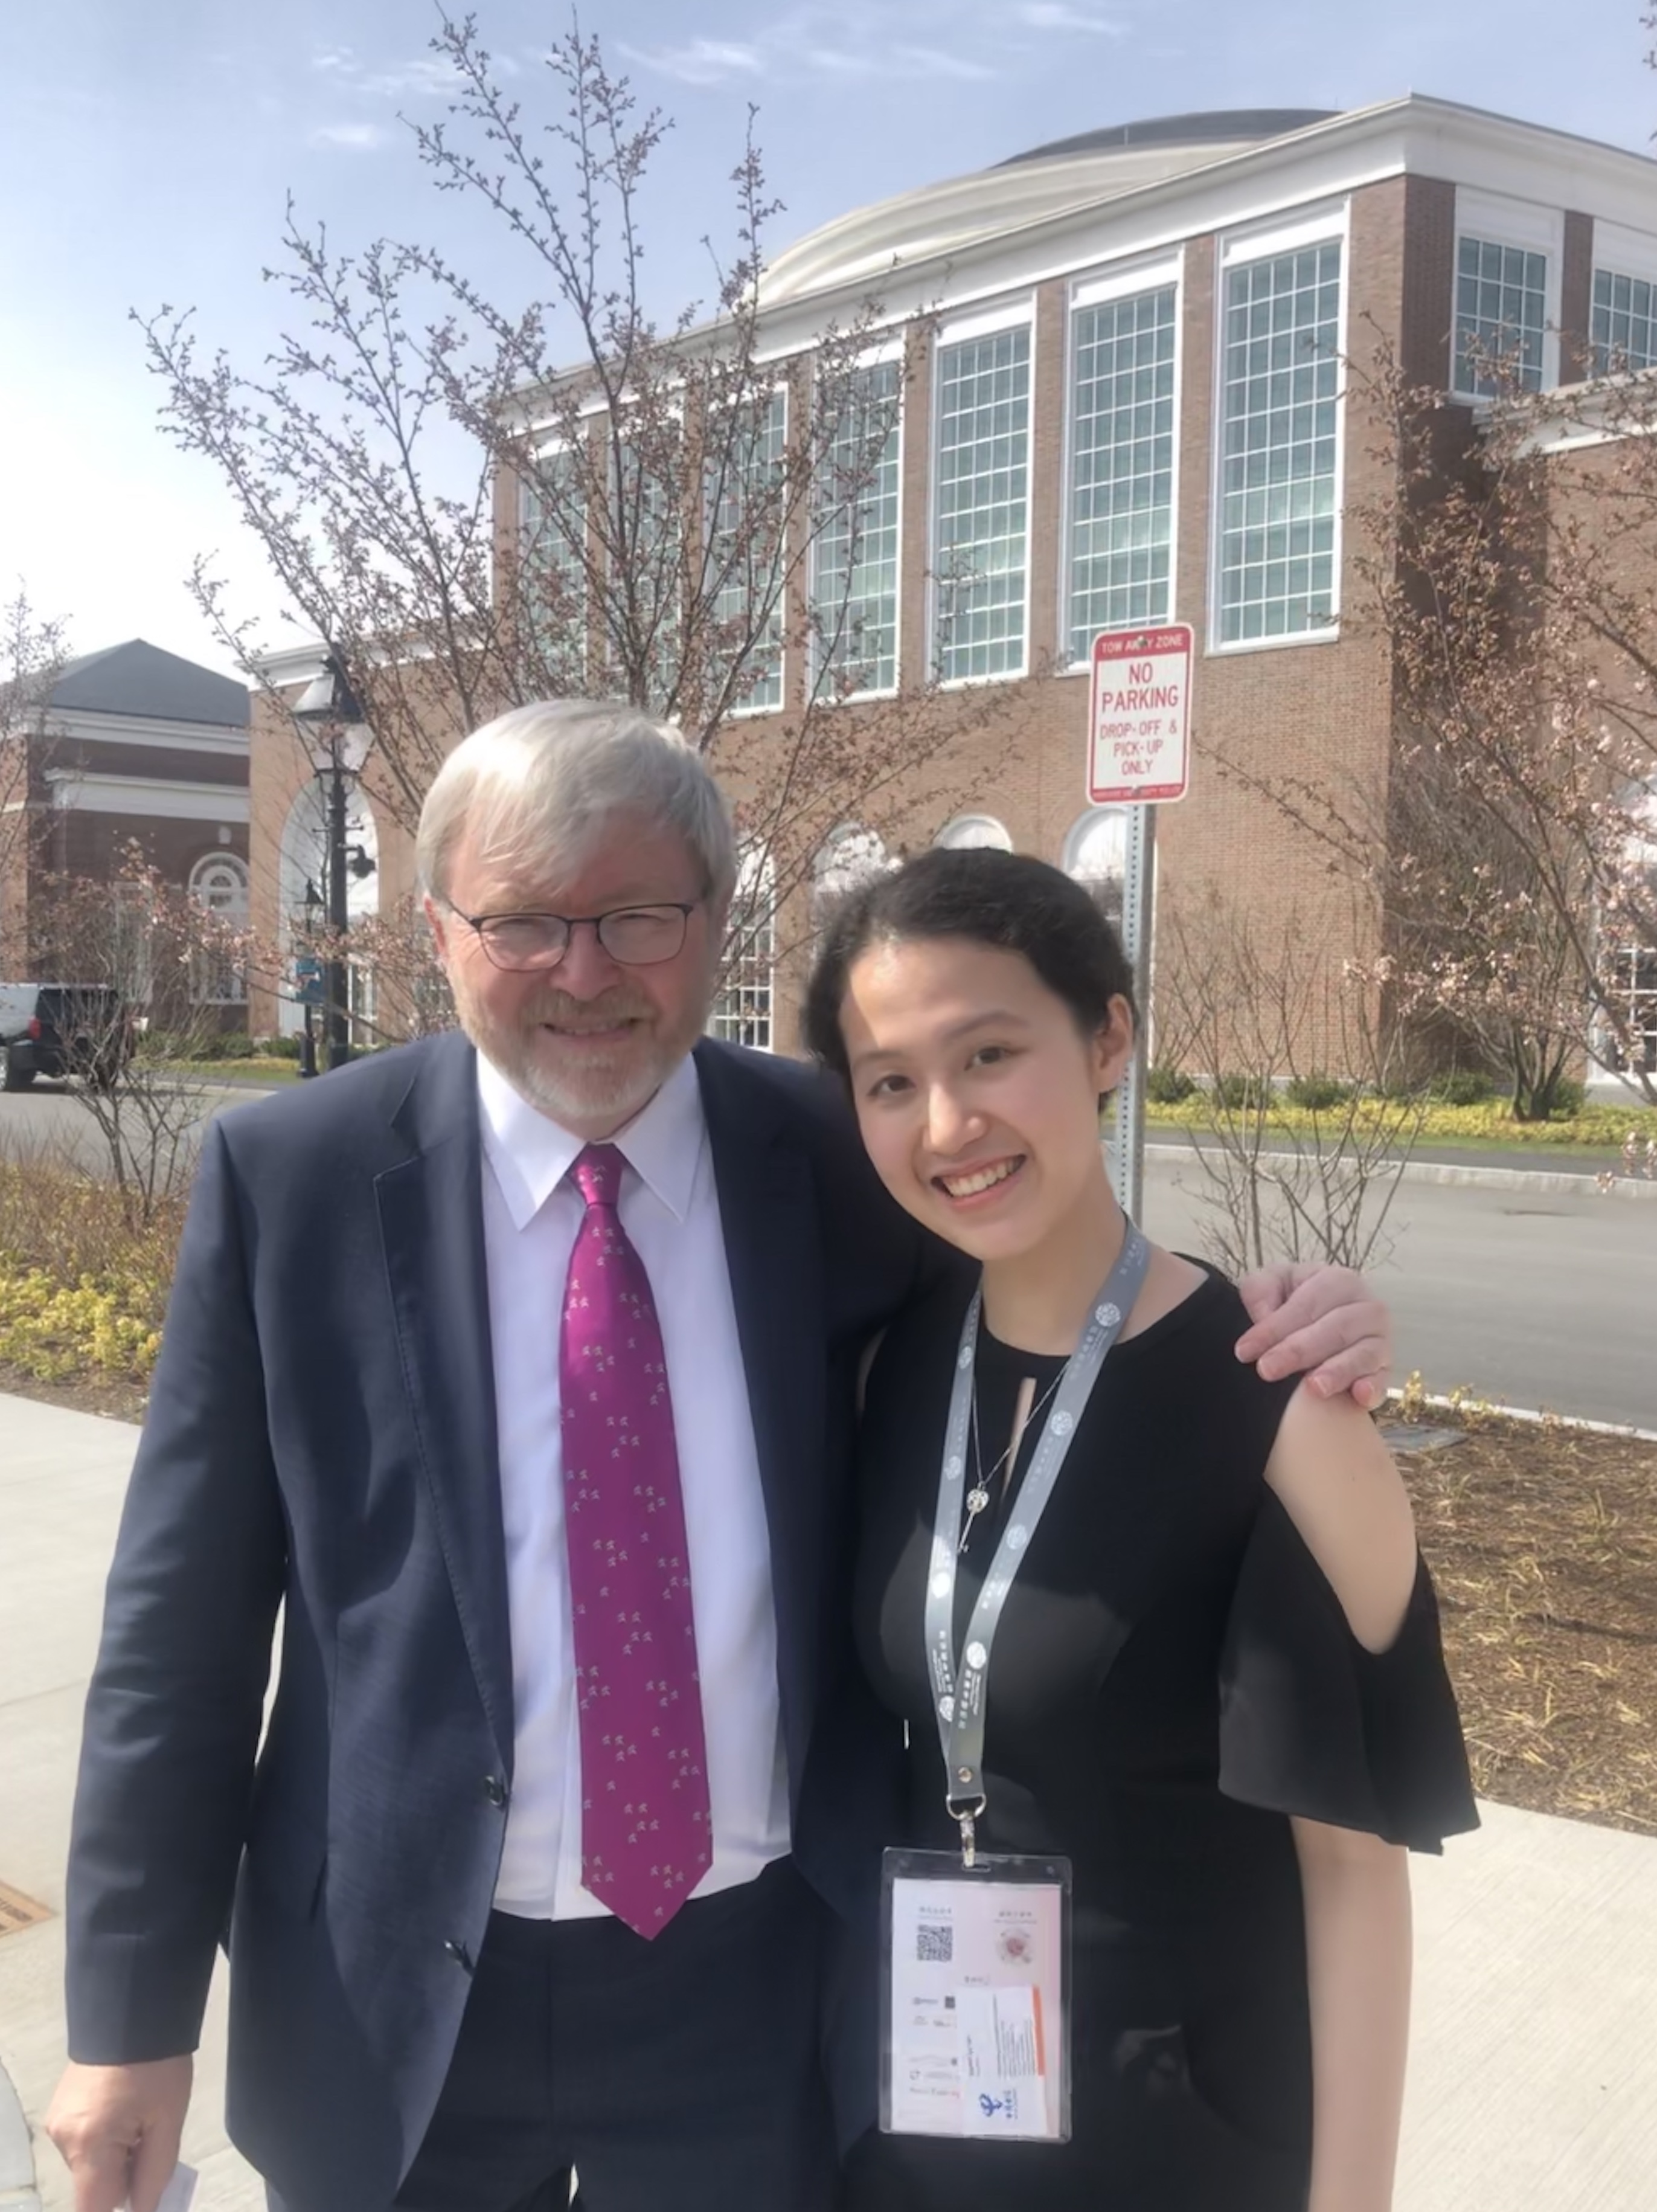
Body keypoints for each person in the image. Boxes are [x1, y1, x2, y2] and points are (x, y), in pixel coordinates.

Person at [48, 703, 1396, 2212]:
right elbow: (178, 1640)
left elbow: (1045, 1262)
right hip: (396, 2005)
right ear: (436, 931)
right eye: (522, 922)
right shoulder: (293, 1180)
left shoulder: (840, 1155)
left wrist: (1272, 1315)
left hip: (753, 1997)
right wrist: (128, 2026)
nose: (584, 972)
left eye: (637, 916)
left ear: (713, 920)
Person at [803, 847, 1478, 2212]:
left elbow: (1353, 1874)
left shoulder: (1281, 1413)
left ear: (1108, 1038)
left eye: (990, 1054)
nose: (948, 1124)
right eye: (891, 1082)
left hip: (1185, 2142)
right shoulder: (890, 1373)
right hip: (930, 2120)